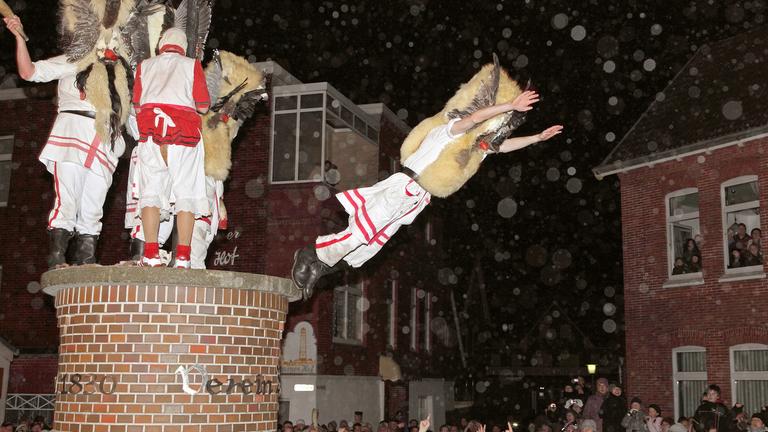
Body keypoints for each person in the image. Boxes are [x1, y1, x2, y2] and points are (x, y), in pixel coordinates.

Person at [291, 55, 562, 298]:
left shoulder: (471, 150)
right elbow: (474, 119)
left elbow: (500, 147)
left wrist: (537, 137)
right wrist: (508, 105)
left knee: (366, 250)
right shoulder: (448, 131)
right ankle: (311, 254)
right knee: (363, 233)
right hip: (403, 187)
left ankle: (321, 269)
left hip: (416, 201)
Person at [4, 15, 127, 268]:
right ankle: (57, 258)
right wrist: (19, 37)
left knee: (94, 208)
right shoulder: (75, 61)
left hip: (105, 141)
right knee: (67, 200)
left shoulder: (122, 77)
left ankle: (86, 262)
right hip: (73, 134)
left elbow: (136, 113)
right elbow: (29, 72)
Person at [132, 27, 211, 268]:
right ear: (183, 47)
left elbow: (136, 104)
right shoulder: (191, 65)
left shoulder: (144, 66)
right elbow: (204, 106)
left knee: (151, 194)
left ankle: (151, 253)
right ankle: (184, 257)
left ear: (161, 45)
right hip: (183, 134)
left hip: (151, 134)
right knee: (187, 195)